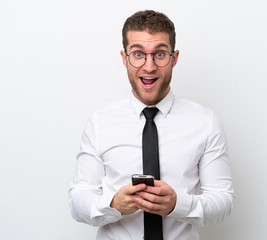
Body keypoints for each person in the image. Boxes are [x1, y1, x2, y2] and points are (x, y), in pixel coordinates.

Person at [69, 10, 234, 240]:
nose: (149, 66)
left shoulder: (205, 122)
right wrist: (113, 204)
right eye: (138, 54)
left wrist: (178, 204)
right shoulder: (99, 123)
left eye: (159, 54)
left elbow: (223, 200)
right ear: (124, 58)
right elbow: (77, 201)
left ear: (174, 58)